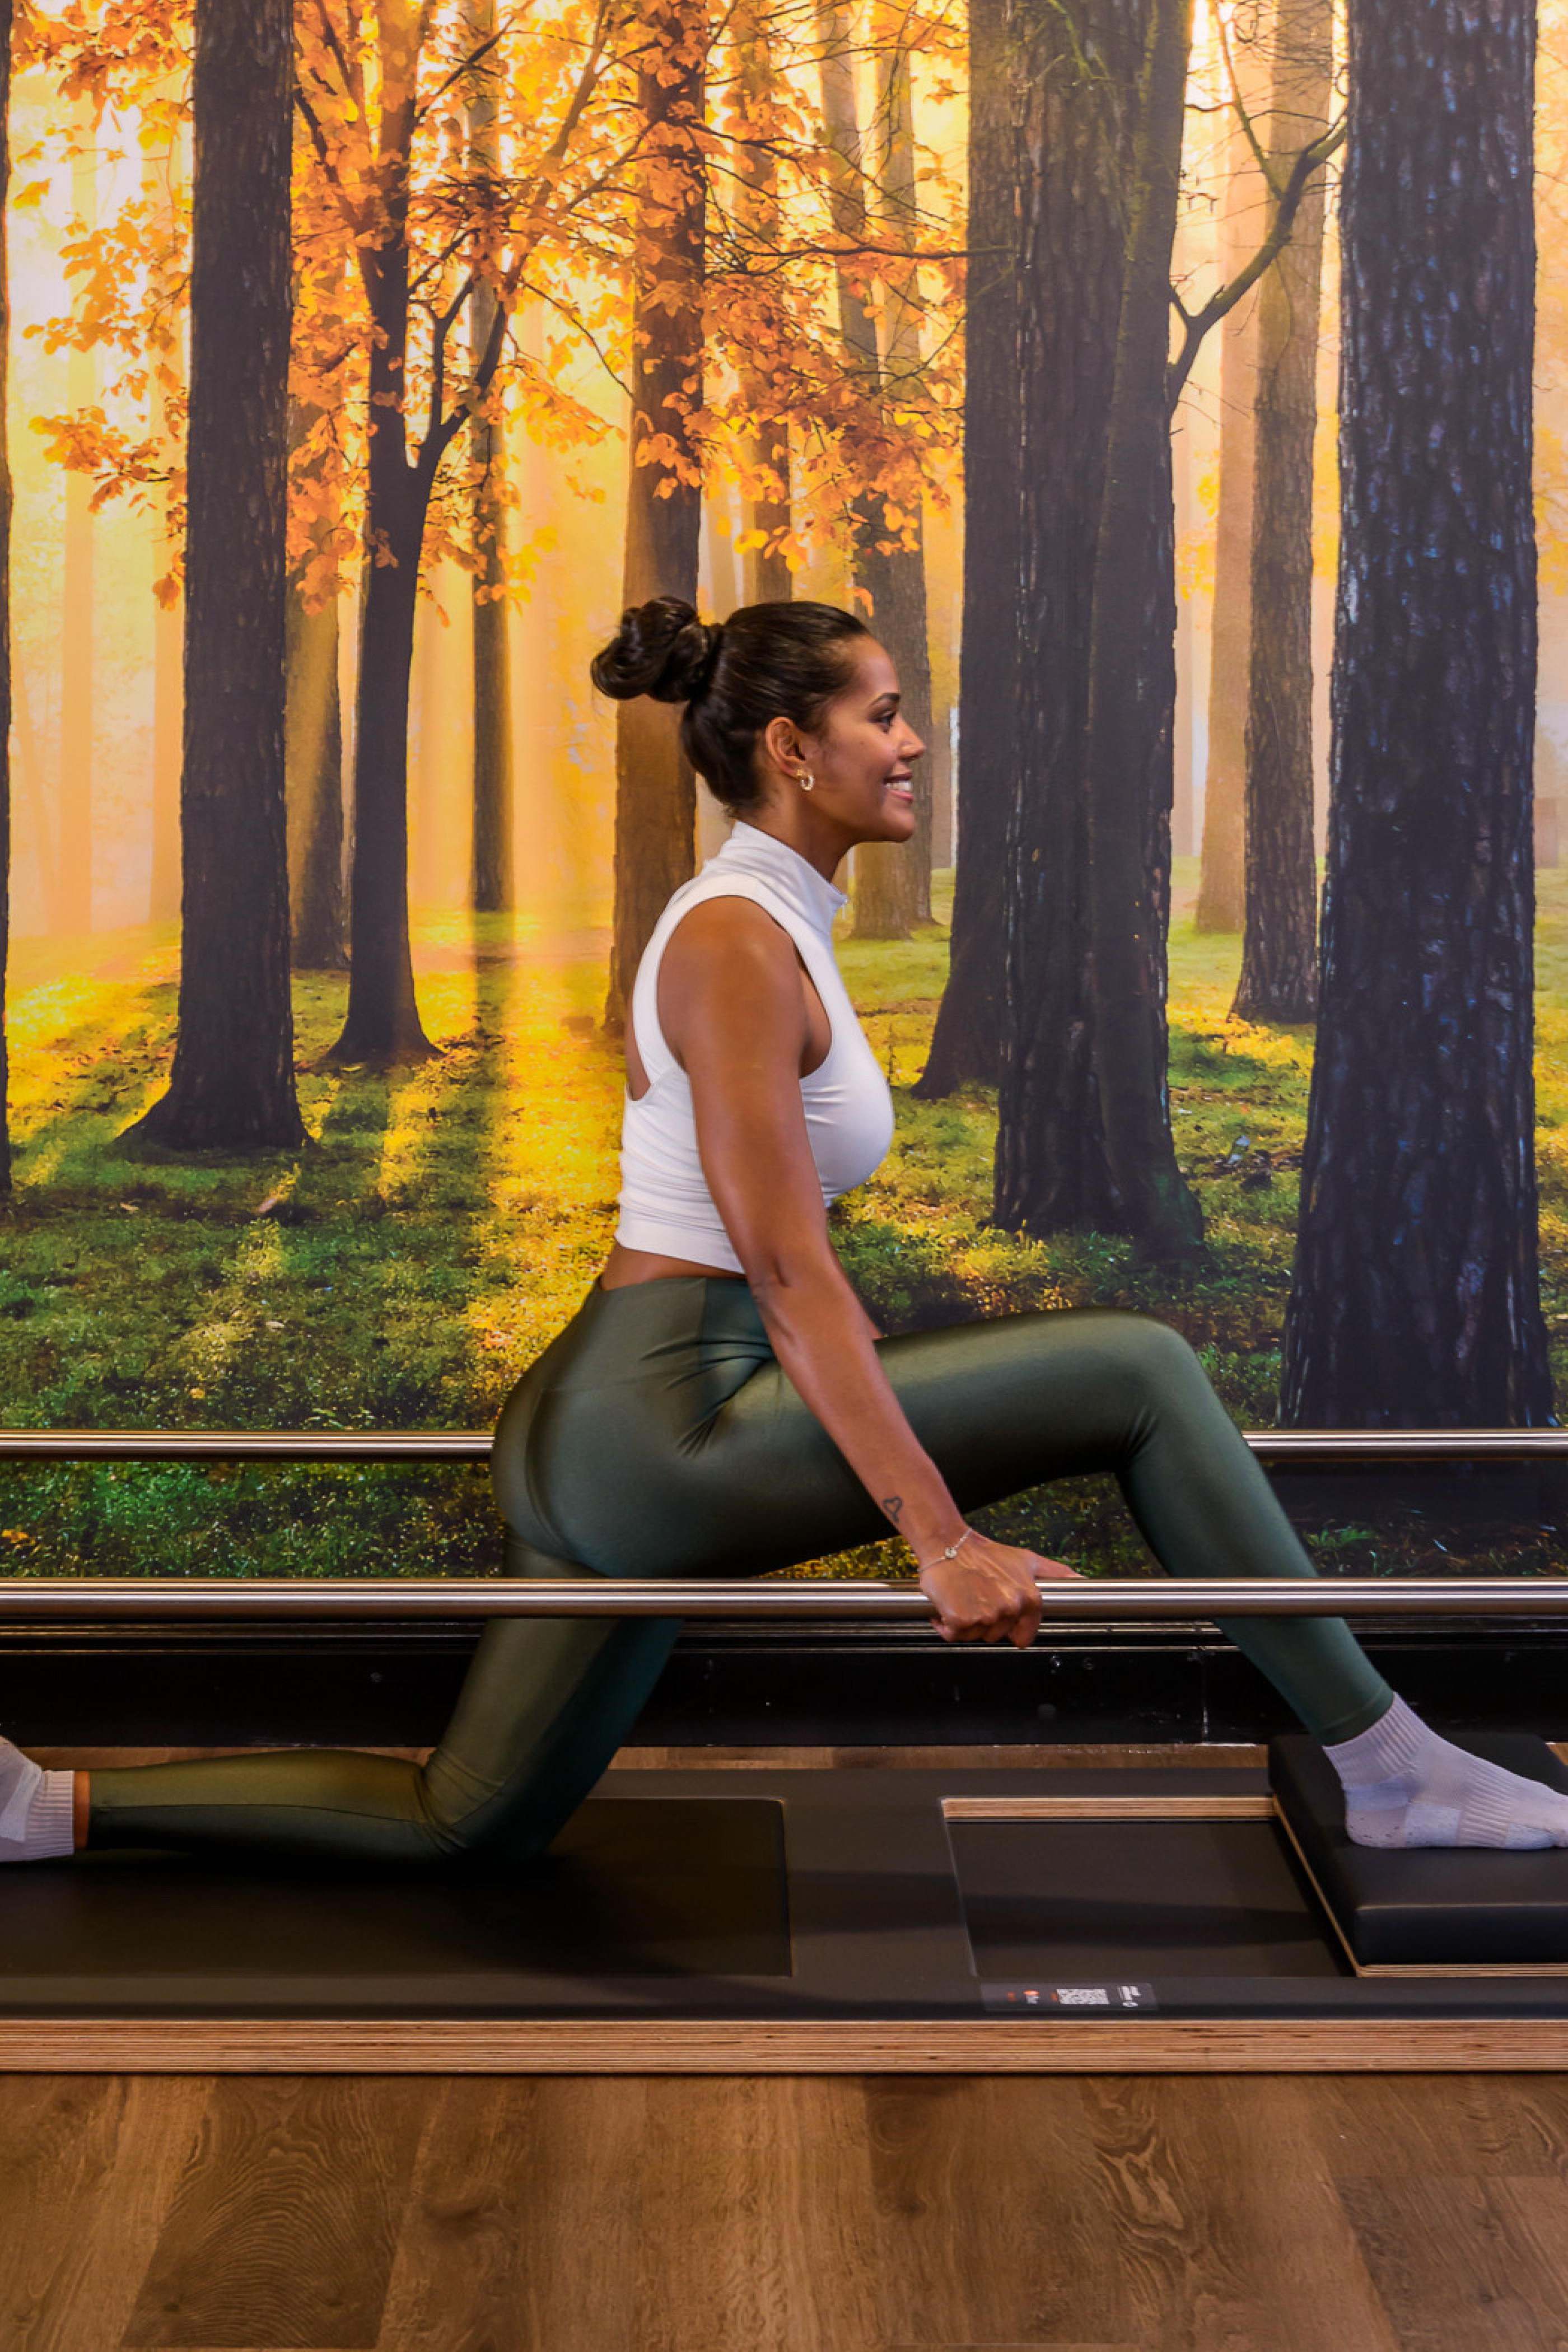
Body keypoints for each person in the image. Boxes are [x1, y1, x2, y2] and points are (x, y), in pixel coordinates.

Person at [3, 595, 1565, 1866]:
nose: (912, 738)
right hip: (664, 1420)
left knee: (467, 1819)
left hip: (635, 1409)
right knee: (1143, 1366)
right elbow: (784, 1265)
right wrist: (938, 1536)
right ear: (787, 746)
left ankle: (44, 1810)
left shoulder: (770, 919)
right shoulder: (741, 942)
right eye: (881, 714)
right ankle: (1386, 1761)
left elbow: (777, 1260)